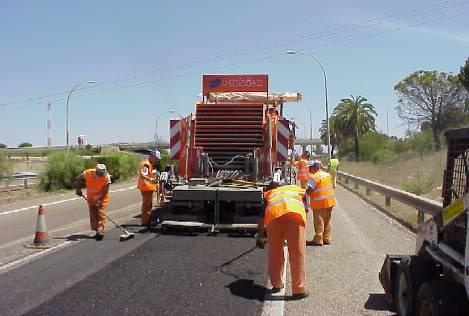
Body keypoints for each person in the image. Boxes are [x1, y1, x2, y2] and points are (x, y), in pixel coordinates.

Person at [257, 181, 309, 300]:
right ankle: (298, 290)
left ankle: (276, 284)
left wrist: (261, 235)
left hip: (273, 217)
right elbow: (306, 211)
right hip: (294, 216)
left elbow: (260, 218)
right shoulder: (298, 191)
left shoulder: (270, 194)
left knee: (275, 253)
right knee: (297, 254)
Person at [75, 164, 112, 241]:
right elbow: (78, 178)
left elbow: (105, 191)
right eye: (101, 174)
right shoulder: (88, 173)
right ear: (97, 172)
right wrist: (78, 189)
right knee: (93, 215)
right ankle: (97, 231)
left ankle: (100, 230)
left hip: (102, 198)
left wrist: (99, 201)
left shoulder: (107, 177)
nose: (103, 175)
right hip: (91, 198)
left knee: (102, 214)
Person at [306, 160, 336, 246]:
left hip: (319, 203)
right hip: (330, 201)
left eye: (310, 167)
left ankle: (318, 239)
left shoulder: (314, 177)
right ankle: (326, 238)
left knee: (319, 221)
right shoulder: (327, 174)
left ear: (315, 167)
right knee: (327, 220)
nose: (309, 169)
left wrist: (304, 191)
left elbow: (309, 191)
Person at [137, 150, 161, 227]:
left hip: (147, 187)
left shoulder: (148, 164)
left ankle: (147, 221)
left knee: (148, 205)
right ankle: (145, 222)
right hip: (146, 187)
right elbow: (143, 174)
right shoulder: (146, 164)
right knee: (147, 206)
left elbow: (147, 173)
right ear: (152, 156)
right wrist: (151, 179)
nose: (156, 160)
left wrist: (153, 173)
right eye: (156, 158)